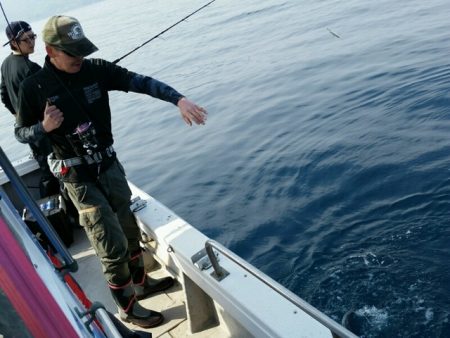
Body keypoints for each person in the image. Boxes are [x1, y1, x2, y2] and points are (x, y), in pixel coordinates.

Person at [15, 15, 207, 328]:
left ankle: (141, 284)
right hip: (77, 177)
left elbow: (140, 81)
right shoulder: (32, 87)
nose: (80, 58)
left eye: (81, 50)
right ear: (50, 51)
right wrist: (43, 127)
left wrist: (178, 99)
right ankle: (128, 308)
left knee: (129, 231)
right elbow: (21, 132)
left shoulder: (97, 70)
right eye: (71, 52)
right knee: (110, 243)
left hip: (110, 166)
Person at [1, 21, 59, 197]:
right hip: (43, 131)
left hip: (28, 129)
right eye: (27, 39)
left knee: (45, 169)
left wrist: (18, 115)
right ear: (14, 42)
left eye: (33, 36)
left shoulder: (5, 64)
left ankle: (53, 212)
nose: (32, 42)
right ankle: (57, 214)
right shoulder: (31, 69)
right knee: (53, 172)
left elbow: (3, 94)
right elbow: (51, 99)